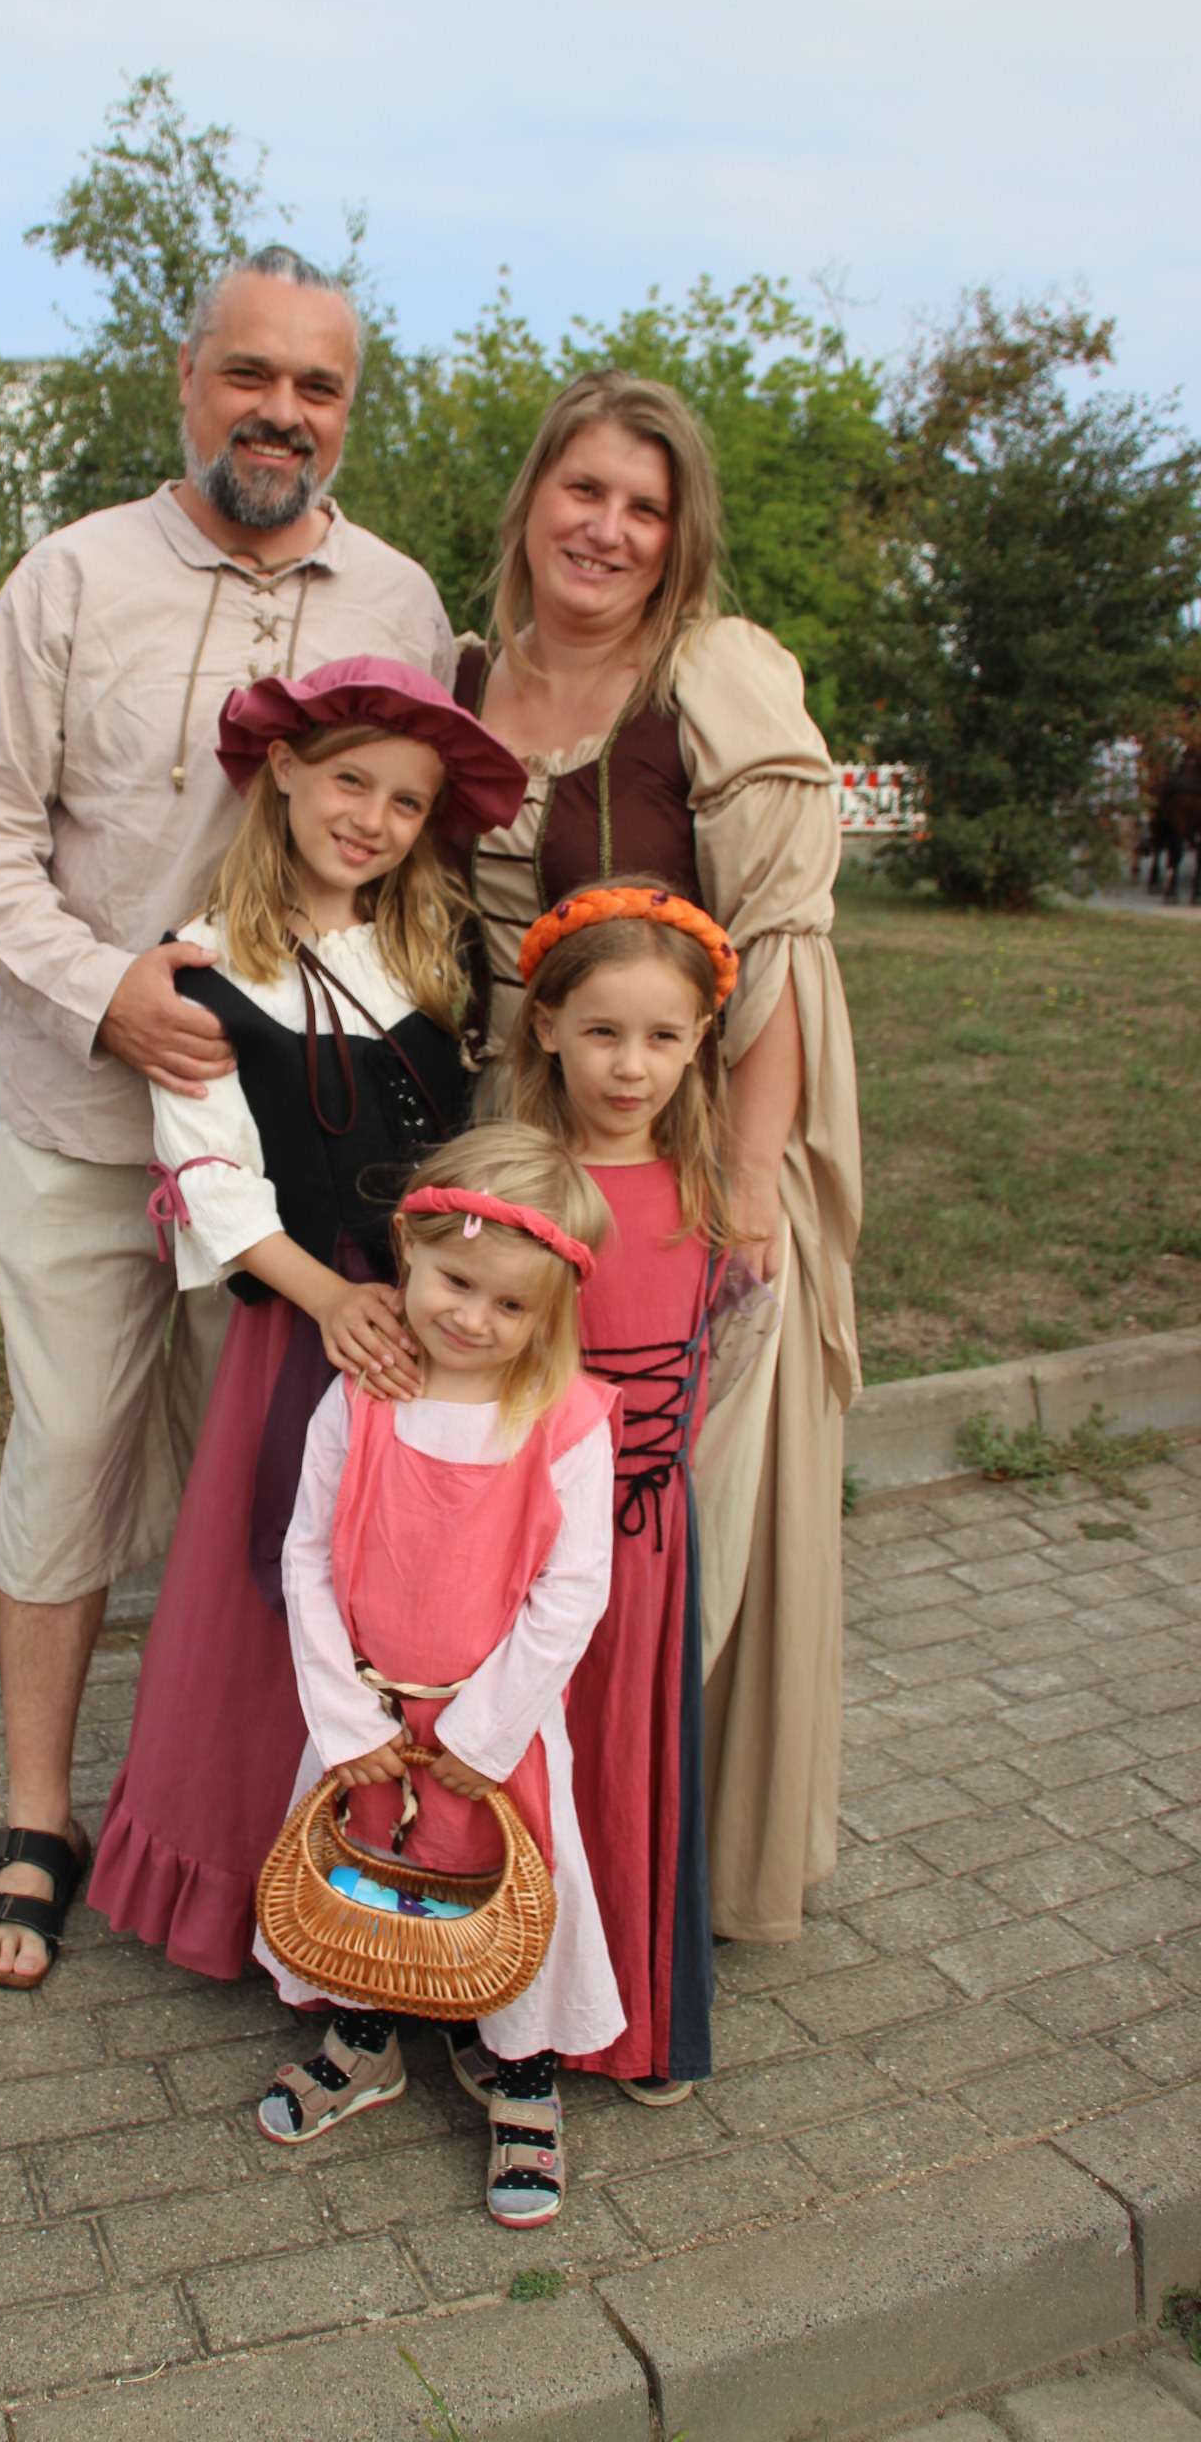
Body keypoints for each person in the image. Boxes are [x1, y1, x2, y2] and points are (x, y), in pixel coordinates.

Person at [0, 246, 457, 1988]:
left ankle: (245, 1821)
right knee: (74, 1453)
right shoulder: (76, 576)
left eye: (317, 387)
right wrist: (104, 991)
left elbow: (420, 848)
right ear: (187, 378)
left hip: (303, 1163)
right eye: (250, 374)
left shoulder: (398, 598)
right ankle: (38, 1817)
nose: (279, 413)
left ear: (346, 411)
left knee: (275, 1494)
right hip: (86, 1120)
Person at [449, 372, 862, 1947]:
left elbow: (784, 951)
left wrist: (745, 1190)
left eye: (645, 505)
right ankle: (500, 1869)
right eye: (584, 490)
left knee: (669, 1524)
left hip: (686, 1166)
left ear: (680, 535)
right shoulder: (465, 679)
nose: (607, 529)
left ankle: (645, 1884)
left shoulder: (712, 679)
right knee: (517, 1523)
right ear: (532, 499)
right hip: (519, 1166)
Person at [87, 658, 527, 1978]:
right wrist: (331, 1296)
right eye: (351, 781)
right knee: (291, 1587)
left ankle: (416, 1880)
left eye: (407, 802)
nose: (373, 820)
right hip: (313, 1323)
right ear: (282, 772)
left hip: (446, 1322)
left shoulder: (428, 952)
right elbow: (209, 1174)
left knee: (425, 1597)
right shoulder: (206, 969)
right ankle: (254, 1886)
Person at [252, 1126, 623, 2231]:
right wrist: (346, 1717)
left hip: (491, 1735)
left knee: (508, 1890)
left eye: (510, 1305)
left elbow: (571, 1593)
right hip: (368, 1717)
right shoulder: (360, 1399)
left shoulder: (563, 1422)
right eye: (457, 1284)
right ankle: (365, 2039)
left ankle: (521, 2075)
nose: (473, 1319)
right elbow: (309, 1556)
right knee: (364, 1877)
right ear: (410, 1253)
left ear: (548, 1315)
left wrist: (480, 1737)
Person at [491, 882, 755, 2104]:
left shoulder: (711, 1191)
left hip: (647, 1541)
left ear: (699, 1043)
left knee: (628, 1761)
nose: (632, 1065)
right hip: (529, 1542)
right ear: (546, 1026)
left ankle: (635, 2020)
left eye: (662, 1036)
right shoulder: (521, 1187)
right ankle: (505, 2010)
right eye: (602, 1031)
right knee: (530, 1759)